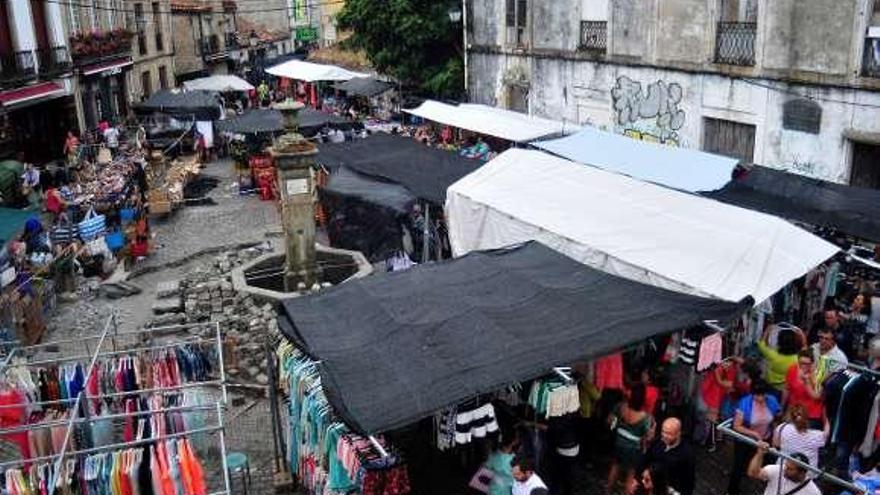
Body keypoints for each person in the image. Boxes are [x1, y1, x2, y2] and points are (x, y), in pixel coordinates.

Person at [726, 380, 782, 495]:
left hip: (765, 439)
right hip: (745, 441)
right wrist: (754, 434)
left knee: (766, 464)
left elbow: (777, 417)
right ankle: (732, 491)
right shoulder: (745, 403)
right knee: (738, 465)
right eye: (757, 395)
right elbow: (737, 426)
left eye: (762, 395)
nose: (760, 398)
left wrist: (775, 435)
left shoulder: (772, 400)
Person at [607, 384, 654, 494]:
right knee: (631, 474)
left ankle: (607, 490)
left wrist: (616, 426)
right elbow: (648, 437)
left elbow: (609, 420)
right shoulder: (645, 417)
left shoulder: (621, 406)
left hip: (619, 442)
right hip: (633, 449)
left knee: (615, 466)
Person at [641, 418, 694, 495]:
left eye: (669, 433)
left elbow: (689, 481)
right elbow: (646, 458)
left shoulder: (687, 454)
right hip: (650, 487)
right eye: (663, 432)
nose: (664, 436)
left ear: (678, 434)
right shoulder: (658, 441)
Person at [699, 357, 741, 451]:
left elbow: (727, 384)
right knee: (711, 417)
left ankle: (712, 441)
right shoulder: (723, 367)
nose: (726, 365)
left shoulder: (729, 370)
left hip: (718, 395)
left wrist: (717, 374)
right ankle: (712, 440)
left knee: (713, 418)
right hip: (715, 392)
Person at [747, 445, 821, 495]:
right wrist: (760, 454)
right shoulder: (778, 469)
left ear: (802, 473)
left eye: (790, 469)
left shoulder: (813, 491)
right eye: (786, 466)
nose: (785, 469)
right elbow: (753, 473)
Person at [757, 324, 804, 395]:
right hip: (787, 388)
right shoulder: (796, 358)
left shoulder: (772, 354)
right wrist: (801, 334)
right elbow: (804, 346)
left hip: (770, 386)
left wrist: (767, 331)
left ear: (779, 341)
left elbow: (761, 344)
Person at [783, 351, 824, 428]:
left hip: (811, 415)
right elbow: (787, 390)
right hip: (794, 411)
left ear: (812, 363)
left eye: (807, 364)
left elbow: (817, 396)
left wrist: (807, 381)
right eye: (801, 363)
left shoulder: (818, 375)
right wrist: (783, 409)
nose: (803, 366)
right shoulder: (792, 369)